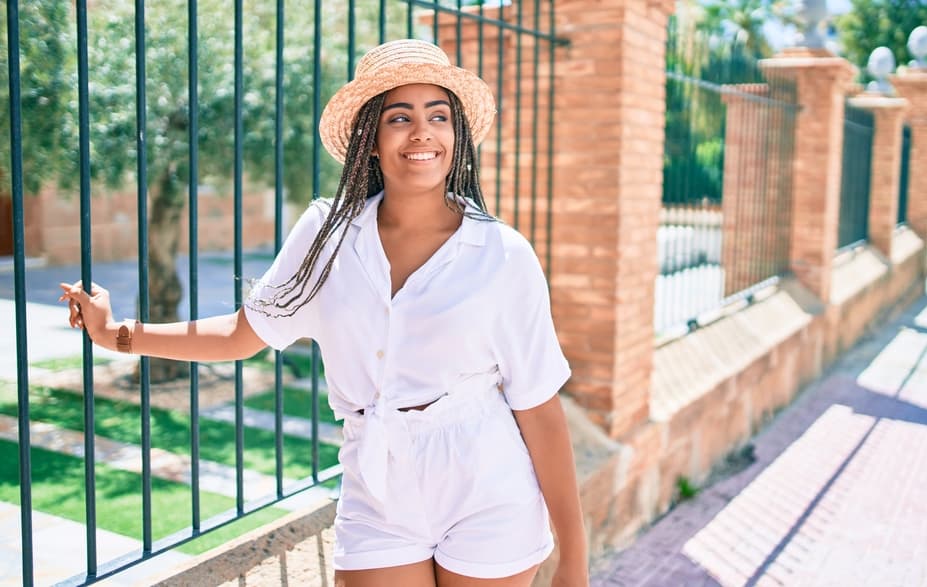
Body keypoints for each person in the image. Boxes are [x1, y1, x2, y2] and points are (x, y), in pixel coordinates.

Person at [59, 39, 588, 587]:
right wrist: (116, 333)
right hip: (377, 485)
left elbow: (539, 407)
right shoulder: (326, 237)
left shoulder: (502, 254)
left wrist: (574, 559)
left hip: (487, 483)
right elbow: (242, 336)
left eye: (438, 116)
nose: (422, 133)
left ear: (456, 136)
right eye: (399, 117)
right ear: (371, 140)